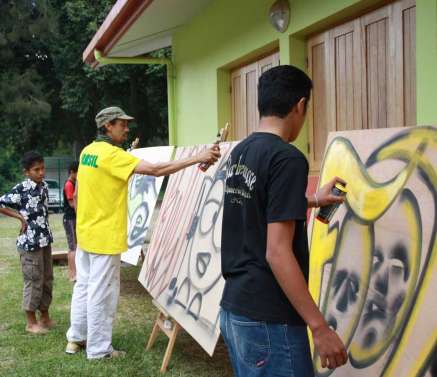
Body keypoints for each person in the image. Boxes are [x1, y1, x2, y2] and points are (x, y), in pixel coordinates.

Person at [219, 65, 348, 377]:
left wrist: (314, 199)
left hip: (236, 310)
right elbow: (277, 252)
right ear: (300, 105)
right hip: (269, 320)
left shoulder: (241, 152)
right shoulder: (287, 158)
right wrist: (319, 327)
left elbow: (260, 207)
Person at [65, 106, 221, 359]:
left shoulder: (88, 152)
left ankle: (75, 339)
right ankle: (98, 349)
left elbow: (82, 189)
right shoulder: (111, 156)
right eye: (122, 124)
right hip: (105, 236)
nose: (127, 129)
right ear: (108, 126)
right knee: (101, 293)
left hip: (86, 233)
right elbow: (157, 170)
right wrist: (198, 157)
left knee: (84, 286)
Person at [0, 151, 55, 334]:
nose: (41, 172)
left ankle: (44, 316)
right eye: (36, 169)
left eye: (43, 168)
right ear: (26, 172)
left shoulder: (43, 186)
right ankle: (31, 322)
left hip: (44, 240)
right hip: (29, 243)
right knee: (33, 279)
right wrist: (20, 217)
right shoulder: (21, 188)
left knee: (47, 279)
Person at [62, 161, 79, 282]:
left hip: (74, 219)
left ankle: (76, 273)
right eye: (78, 172)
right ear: (72, 172)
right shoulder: (69, 184)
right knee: (72, 247)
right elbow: (72, 203)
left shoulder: (74, 182)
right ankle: (72, 275)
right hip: (69, 219)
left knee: (75, 246)